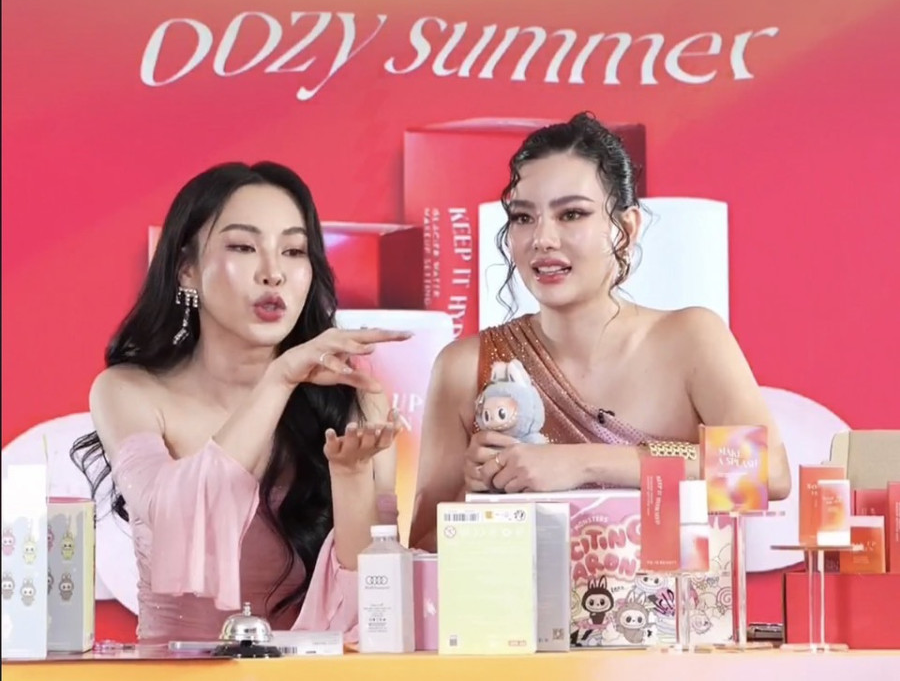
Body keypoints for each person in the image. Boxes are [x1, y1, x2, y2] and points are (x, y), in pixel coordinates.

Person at [409, 113, 791, 551]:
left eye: (571, 214)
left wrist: (583, 464)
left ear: (625, 229)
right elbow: (422, 547)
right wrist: (477, 495)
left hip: (676, 592)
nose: (543, 239)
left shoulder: (690, 339)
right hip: (519, 597)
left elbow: (769, 473)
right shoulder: (467, 366)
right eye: (523, 217)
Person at [70, 161, 411, 642]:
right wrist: (278, 380)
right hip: (176, 674)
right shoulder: (128, 391)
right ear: (186, 269)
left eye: (293, 251)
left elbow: (375, 610)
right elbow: (176, 519)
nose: (273, 273)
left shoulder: (354, 402)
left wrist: (351, 477)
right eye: (243, 247)